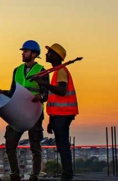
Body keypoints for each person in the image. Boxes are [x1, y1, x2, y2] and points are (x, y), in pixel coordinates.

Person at [0, 40, 46, 181]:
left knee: (35, 146)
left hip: (34, 114)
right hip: (18, 112)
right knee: (10, 144)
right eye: (23, 51)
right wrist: (2, 92)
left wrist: (40, 97)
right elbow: (13, 91)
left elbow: (47, 93)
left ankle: (34, 175)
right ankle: (15, 174)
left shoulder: (42, 71)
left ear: (34, 54)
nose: (23, 54)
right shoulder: (17, 70)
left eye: (25, 51)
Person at [33, 43, 79, 181]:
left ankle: (67, 174)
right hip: (59, 115)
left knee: (63, 145)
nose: (46, 55)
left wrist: (43, 83)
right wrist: (52, 120)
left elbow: (61, 91)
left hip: (63, 115)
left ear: (56, 56)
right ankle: (67, 173)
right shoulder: (57, 72)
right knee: (61, 145)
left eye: (49, 53)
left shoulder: (61, 71)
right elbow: (54, 97)